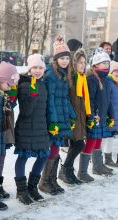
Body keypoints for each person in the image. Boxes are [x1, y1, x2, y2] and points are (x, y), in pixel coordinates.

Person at [38, 36, 76, 195]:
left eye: (67, 58)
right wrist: (53, 122)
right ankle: (44, 181)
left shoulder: (64, 74)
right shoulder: (51, 75)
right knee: (53, 149)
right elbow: (50, 101)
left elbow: (65, 98)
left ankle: (52, 180)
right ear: (56, 59)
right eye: (62, 58)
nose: (65, 61)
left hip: (62, 117)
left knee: (57, 149)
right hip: (53, 120)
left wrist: (72, 116)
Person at [14, 54, 51, 205]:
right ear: (29, 68)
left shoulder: (42, 85)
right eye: (35, 67)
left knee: (43, 155)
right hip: (26, 128)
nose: (37, 70)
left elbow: (45, 108)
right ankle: (21, 190)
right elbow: (26, 111)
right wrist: (32, 95)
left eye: (41, 68)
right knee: (23, 157)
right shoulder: (24, 85)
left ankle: (32, 187)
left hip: (41, 127)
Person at [77, 47, 114, 182]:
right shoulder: (91, 79)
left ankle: (98, 166)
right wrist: (91, 116)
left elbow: (108, 100)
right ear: (95, 65)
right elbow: (90, 100)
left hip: (103, 116)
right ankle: (82, 172)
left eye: (107, 63)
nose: (106, 65)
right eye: (103, 63)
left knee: (99, 139)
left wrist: (111, 115)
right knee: (91, 141)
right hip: (95, 117)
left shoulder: (107, 80)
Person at [0, 61, 19, 210]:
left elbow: (9, 108)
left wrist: (12, 95)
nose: (10, 88)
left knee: (1, 159)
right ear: (1, 80)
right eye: (9, 84)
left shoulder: (2, 91)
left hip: (2, 131)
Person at [58, 48, 91, 185]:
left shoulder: (83, 78)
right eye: (79, 62)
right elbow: (68, 98)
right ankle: (65, 170)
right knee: (78, 145)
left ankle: (68, 171)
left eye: (84, 62)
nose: (82, 65)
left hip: (80, 116)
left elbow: (84, 100)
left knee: (75, 144)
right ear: (74, 63)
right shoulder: (71, 78)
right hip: (72, 117)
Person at [102, 61, 118, 167]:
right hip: (111, 115)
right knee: (109, 137)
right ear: (111, 72)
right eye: (115, 71)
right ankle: (107, 158)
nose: (117, 73)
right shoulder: (108, 82)